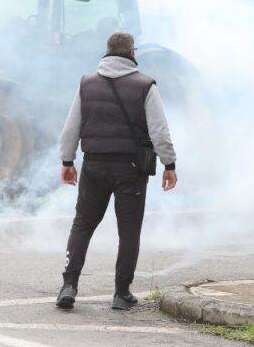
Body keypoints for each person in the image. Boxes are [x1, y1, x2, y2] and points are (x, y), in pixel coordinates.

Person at [56, 31, 177, 311]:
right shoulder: (146, 86)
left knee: (83, 224)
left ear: (107, 52)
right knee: (129, 231)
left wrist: (67, 161)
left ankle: (69, 285)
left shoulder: (86, 84)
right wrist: (169, 164)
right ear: (132, 53)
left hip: (93, 165)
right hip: (131, 169)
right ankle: (121, 293)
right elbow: (160, 131)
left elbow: (70, 128)